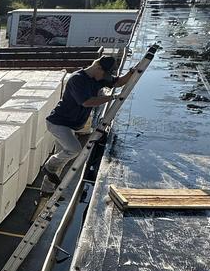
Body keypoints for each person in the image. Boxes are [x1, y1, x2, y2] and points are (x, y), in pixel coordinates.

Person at [41, 54, 138, 194]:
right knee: (73, 149)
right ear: (97, 67)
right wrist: (112, 97)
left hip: (70, 125)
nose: (105, 78)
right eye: (104, 74)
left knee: (62, 160)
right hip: (58, 123)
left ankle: (47, 190)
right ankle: (49, 165)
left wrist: (131, 72)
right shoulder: (77, 79)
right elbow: (87, 102)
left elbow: (117, 82)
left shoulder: (97, 78)